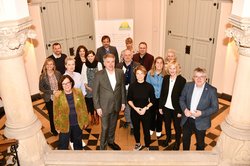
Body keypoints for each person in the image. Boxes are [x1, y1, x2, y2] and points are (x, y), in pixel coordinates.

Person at [179, 67, 218, 150]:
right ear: (193, 78)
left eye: (202, 76)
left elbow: (215, 108)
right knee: (185, 140)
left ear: (206, 78)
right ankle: (185, 157)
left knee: (200, 144)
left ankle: (198, 159)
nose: (199, 79)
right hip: (187, 119)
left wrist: (201, 113)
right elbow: (181, 99)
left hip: (201, 121)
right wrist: (185, 109)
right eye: (196, 76)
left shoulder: (212, 90)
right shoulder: (188, 85)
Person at [93, 53, 126, 150]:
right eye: (108, 62)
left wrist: (123, 102)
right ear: (104, 63)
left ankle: (111, 142)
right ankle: (102, 147)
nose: (110, 64)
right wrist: (97, 107)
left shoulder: (120, 72)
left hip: (116, 104)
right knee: (105, 128)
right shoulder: (99, 75)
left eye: (112, 62)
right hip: (104, 107)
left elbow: (122, 89)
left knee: (113, 126)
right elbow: (95, 93)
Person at [53, 75, 89, 150]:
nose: (66, 85)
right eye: (64, 84)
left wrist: (85, 121)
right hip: (64, 124)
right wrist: (57, 126)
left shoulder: (78, 92)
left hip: (77, 123)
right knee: (63, 145)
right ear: (61, 85)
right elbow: (56, 112)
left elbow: (84, 107)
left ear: (71, 83)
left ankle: (77, 159)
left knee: (78, 144)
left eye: (68, 83)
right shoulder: (58, 96)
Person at [159, 61, 186, 150]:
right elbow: (162, 93)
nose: (172, 70)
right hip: (166, 107)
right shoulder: (166, 78)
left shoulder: (182, 80)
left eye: (174, 68)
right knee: (167, 125)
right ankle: (168, 138)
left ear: (177, 69)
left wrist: (180, 111)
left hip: (176, 108)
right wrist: (160, 106)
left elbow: (183, 97)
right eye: (170, 68)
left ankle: (177, 142)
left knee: (177, 127)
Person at [127, 65, 155, 151]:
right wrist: (135, 108)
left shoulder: (149, 86)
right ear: (135, 75)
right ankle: (138, 143)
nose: (139, 75)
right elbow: (129, 100)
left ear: (145, 74)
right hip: (135, 111)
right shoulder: (132, 86)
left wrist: (145, 108)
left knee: (146, 130)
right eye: (137, 73)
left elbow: (152, 101)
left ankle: (147, 145)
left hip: (145, 111)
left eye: (141, 73)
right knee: (136, 129)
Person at [116, 49, 139, 135]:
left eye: (129, 55)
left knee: (132, 108)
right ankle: (128, 121)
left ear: (132, 56)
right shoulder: (118, 66)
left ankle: (133, 126)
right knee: (124, 106)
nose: (127, 57)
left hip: (133, 90)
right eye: (125, 55)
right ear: (123, 56)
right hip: (122, 90)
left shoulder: (137, 65)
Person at [39, 58, 62, 136]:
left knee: (60, 113)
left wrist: (59, 91)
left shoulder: (58, 73)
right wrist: (52, 92)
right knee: (52, 114)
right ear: (45, 66)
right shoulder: (42, 76)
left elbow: (61, 83)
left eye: (51, 64)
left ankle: (61, 126)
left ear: (53, 65)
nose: (49, 66)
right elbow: (41, 88)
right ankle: (53, 129)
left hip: (58, 97)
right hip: (49, 98)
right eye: (48, 64)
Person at [146, 57, 166, 137]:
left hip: (162, 97)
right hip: (152, 97)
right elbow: (147, 85)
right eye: (157, 62)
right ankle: (151, 128)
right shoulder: (150, 73)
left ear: (163, 64)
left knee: (160, 114)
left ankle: (159, 129)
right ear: (154, 63)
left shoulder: (166, 74)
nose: (159, 64)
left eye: (161, 63)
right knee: (152, 114)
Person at [81, 50, 103, 125]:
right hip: (88, 87)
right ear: (86, 57)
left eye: (91, 56)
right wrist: (87, 86)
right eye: (88, 56)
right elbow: (83, 76)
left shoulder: (99, 64)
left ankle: (97, 116)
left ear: (94, 56)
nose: (90, 58)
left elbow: (101, 76)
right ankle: (92, 116)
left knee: (96, 102)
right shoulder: (84, 65)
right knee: (90, 103)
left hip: (97, 87)